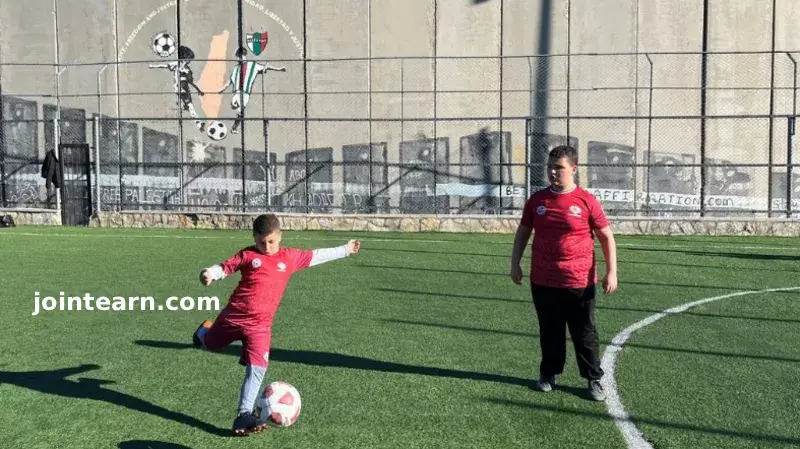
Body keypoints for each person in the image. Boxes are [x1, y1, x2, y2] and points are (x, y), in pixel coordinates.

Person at [192, 213, 360, 435]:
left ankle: (243, 416)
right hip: (233, 318)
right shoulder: (249, 255)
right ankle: (203, 332)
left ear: (280, 236)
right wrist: (209, 273)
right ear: (254, 237)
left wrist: (345, 250)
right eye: (262, 242)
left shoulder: (289, 257)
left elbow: (316, 255)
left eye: (271, 241)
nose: (267, 247)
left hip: (261, 327)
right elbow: (226, 267)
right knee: (210, 344)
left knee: (258, 368)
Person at [509, 145, 618, 401]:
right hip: (543, 279)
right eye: (550, 167)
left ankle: (593, 379)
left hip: (578, 280)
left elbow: (606, 236)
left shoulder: (586, 200)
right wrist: (515, 263)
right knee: (550, 331)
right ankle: (548, 374)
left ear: (573, 169)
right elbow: (523, 232)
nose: (552, 172)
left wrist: (611, 272)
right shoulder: (537, 201)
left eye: (559, 167)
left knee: (584, 333)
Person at [216, 46, 287, 134]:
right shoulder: (236, 68)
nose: (238, 58)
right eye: (237, 56)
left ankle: (234, 128)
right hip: (236, 92)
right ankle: (235, 108)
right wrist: (222, 89)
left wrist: (279, 69)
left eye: (239, 56)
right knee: (234, 105)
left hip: (245, 93)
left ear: (244, 56)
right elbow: (229, 81)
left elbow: (266, 67)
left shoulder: (253, 65)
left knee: (240, 111)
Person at [149, 46, 206, 132]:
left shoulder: (188, 70)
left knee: (190, 106)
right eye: (188, 59)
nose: (189, 61)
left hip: (186, 89)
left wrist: (198, 90)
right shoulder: (177, 64)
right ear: (184, 57)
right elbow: (165, 66)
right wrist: (153, 66)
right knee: (191, 106)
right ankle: (199, 123)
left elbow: (190, 82)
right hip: (180, 89)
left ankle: (185, 107)